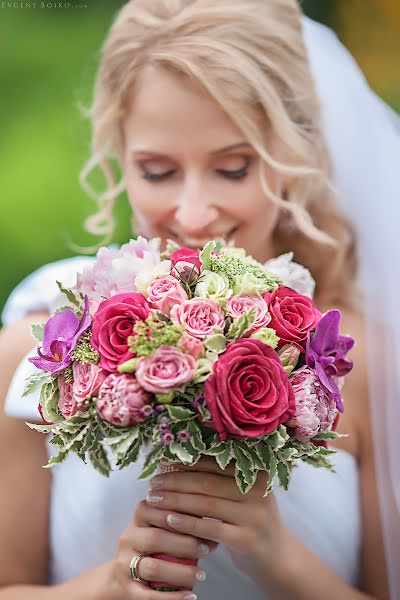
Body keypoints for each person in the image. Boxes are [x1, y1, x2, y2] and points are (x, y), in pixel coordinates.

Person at [0, 1, 398, 598]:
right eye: (157, 171)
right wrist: (109, 588)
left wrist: (277, 556)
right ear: (119, 156)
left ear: (293, 156)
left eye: (233, 169)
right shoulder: (41, 350)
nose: (191, 213)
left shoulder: (364, 367)